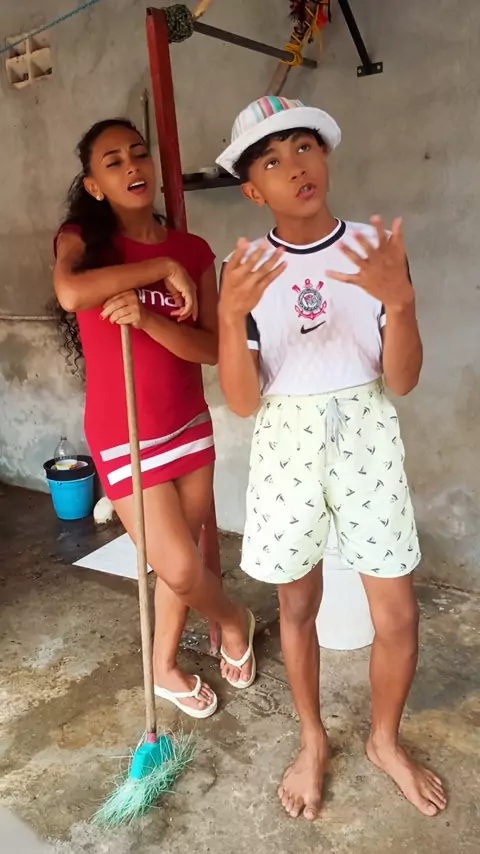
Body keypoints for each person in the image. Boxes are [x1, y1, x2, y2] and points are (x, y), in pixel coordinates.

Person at [216, 97, 447, 819]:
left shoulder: (372, 251)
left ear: (325, 155)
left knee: (397, 613)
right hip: (286, 440)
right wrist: (228, 314)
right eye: (273, 159)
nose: (295, 166)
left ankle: (384, 740)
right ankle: (312, 739)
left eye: (304, 147)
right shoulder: (243, 269)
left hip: (367, 433)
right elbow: (242, 401)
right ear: (254, 191)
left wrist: (400, 304)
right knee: (297, 603)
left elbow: (402, 380)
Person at [53, 118, 256, 720]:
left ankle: (164, 665)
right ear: (94, 185)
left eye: (138, 154)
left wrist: (147, 318)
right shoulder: (81, 242)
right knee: (179, 565)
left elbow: (212, 348)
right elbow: (71, 293)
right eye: (113, 161)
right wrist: (156, 269)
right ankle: (234, 620)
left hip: (186, 423)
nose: (132, 167)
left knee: (181, 563)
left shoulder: (193, 251)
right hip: (123, 433)